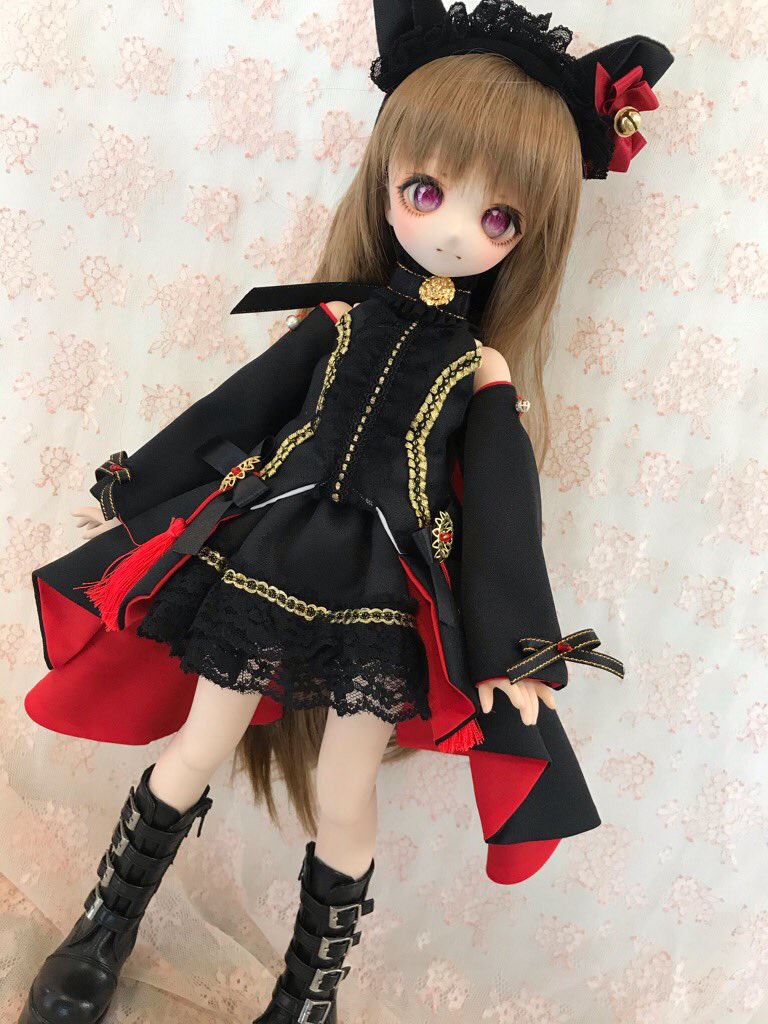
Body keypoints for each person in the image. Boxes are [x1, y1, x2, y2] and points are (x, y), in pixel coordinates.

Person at [19, 2, 672, 1022]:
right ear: (389, 180)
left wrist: (520, 650)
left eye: (497, 218)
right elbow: (234, 410)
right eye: (427, 191)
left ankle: (307, 997)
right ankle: (104, 926)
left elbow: (508, 522)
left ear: (524, 236)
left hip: (381, 593)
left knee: (344, 790)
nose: (452, 228)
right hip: (266, 554)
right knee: (197, 742)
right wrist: (139, 486)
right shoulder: (338, 317)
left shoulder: (481, 371)